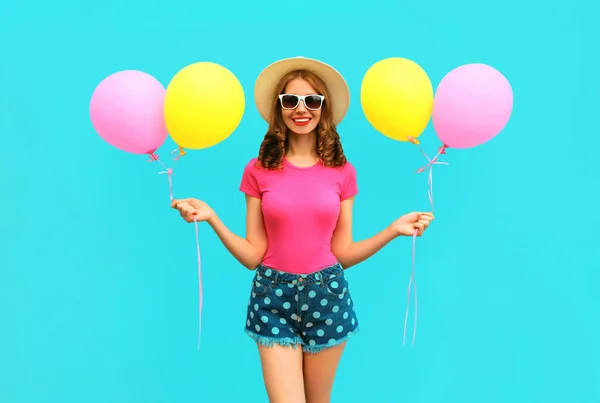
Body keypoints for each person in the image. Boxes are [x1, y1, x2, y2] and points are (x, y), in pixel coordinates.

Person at [171, 57, 434, 403]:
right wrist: (212, 218)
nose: (301, 109)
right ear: (278, 108)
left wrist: (392, 230)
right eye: (290, 100)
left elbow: (342, 252)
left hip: (327, 295)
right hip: (271, 295)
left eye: (312, 100)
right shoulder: (257, 170)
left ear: (323, 108)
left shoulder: (342, 172)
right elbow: (253, 255)